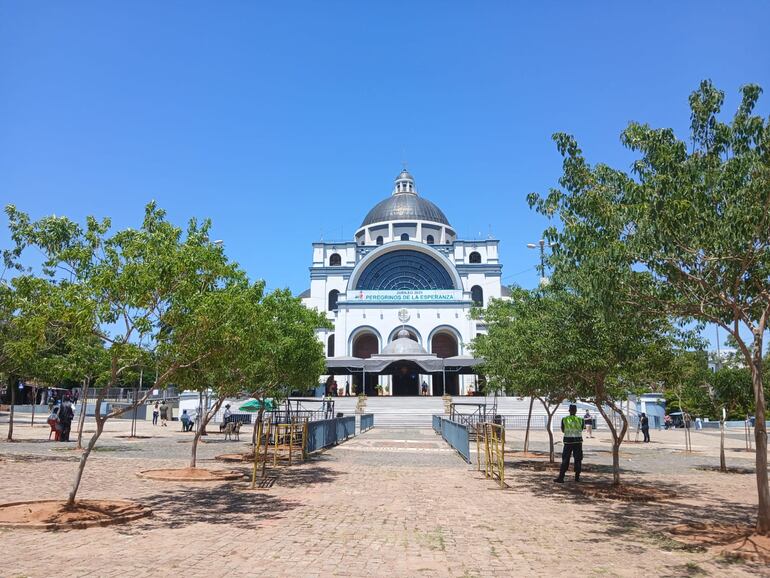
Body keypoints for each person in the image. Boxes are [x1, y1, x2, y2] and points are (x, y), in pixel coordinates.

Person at [554, 404, 583, 483]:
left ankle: (561, 477)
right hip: (578, 442)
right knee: (578, 459)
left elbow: (563, 430)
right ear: (576, 411)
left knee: (565, 459)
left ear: (569, 411)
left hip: (568, 442)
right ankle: (577, 478)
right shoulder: (581, 419)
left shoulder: (564, 419)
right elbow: (581, 429)